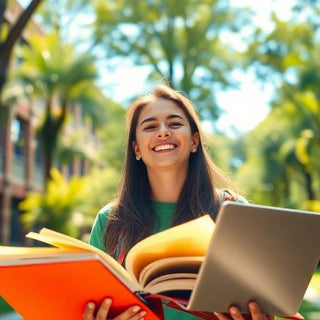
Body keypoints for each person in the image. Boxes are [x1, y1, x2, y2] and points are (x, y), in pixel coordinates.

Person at [82, 84, 274, 320]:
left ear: (194, 141)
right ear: (136, 149)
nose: (162, 132)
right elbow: (91, 305)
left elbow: (261, 303)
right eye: (150, 126)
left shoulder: (232, 211)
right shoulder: (110, 220)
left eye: (174, 124)